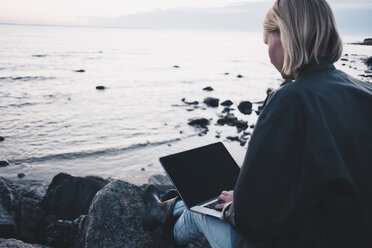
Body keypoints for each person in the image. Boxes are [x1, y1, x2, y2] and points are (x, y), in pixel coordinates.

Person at [142, 0, 372, 247]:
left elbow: (251, 220)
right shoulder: (364, 91)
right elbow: (322, 182)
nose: (268, 52)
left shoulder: (290, 99)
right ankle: (170, 208)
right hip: (348, 233)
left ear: (283, 35)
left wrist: (234, 207)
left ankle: (164, 230)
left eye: (267, 42)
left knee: (198, 215)